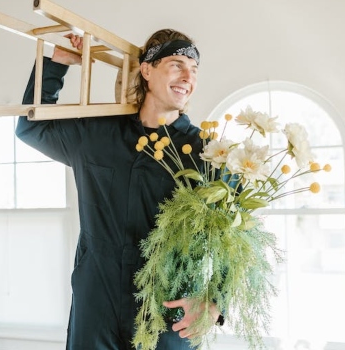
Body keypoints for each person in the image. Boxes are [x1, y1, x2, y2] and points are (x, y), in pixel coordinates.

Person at [15, 29, 221, 350]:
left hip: (167, 306)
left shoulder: (206, 152)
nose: (187, 76)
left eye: (194, 70)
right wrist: (57, 64)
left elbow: (232, 232)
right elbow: (31, 127)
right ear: (147, 70)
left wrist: (214, 299)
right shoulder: (97, 134)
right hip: (97, 302)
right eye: (177, 64)